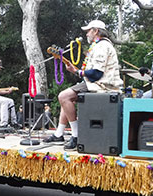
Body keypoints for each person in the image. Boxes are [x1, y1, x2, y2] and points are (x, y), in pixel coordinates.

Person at [43, 19, 123, 150]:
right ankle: (59, 134)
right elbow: (89, 73)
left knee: (64, 96)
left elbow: (97, 73)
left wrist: (78, 71)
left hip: (102, 85)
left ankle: (76, 135)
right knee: (66, 99)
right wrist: (77, 71)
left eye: (88, 31)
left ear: (96, 31)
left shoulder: (102, 46)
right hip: (95, 83)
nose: (86, 34)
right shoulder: (99, 45)